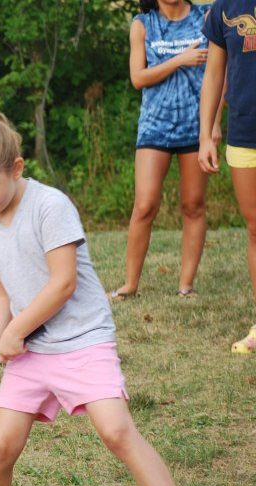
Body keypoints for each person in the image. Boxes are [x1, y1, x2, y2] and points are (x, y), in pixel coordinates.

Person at [0, 110, 211, 486]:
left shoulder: (50, 206)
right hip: (30, 352)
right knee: (0, 446)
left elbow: (63, 283)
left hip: (82, 340)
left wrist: (15, 330)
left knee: (116, 431)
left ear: (16, 168)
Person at [109, 0, 220, 300]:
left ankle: (186, 286)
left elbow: (219, 72)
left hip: (195, 128)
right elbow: (138, 78)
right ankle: (130, 285)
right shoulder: (142, 24)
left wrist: (213, 125)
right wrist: (179, 59)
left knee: (193, 205)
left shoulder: (205, 16)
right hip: (154, 128)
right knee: (144, 206)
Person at [198, 0, 256, 352]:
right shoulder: (225, 7)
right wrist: (207, 132)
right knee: (255, 229)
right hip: (246, 132)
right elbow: (215, 74)